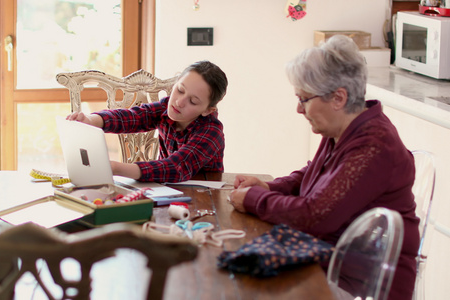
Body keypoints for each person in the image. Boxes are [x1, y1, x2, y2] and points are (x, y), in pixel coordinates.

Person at [228, 35, 419, 300]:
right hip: (334, 261)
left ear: (338, 98)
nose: (298, 108)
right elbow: (313, 173)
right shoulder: (345, 129)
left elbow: (315, 217)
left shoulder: (374, 146)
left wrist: (255, 199)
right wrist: (271, 186)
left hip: (363, 284)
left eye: (304, 99)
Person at [66, 60, 228, 183]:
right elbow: (133, 117)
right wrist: (91, 120)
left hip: (205, 197)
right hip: (168, 189)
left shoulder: (211, 132)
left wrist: (115, 168)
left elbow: (176, 167)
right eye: (179, 90)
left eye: (193, 101)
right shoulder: (166, 107)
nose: (179, 102)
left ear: (208, 110)